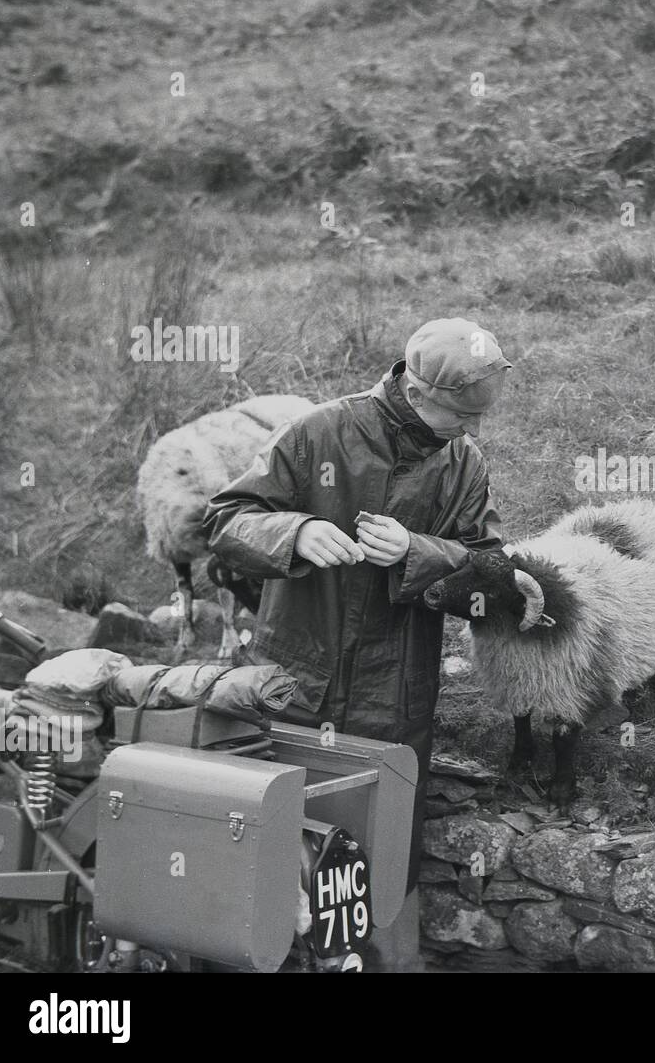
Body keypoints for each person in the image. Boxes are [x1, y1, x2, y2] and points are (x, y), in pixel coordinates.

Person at [202, 318, 512, 971]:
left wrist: (418, 552)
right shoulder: (319, 431)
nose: (473, 430)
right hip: (292, 700)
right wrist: (294, 534)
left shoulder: (465, 466)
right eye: (462, 413)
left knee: (375, 880)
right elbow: (224, 522)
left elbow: (491, 578)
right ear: (419, 391)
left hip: (394, 716)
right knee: (272, 866)